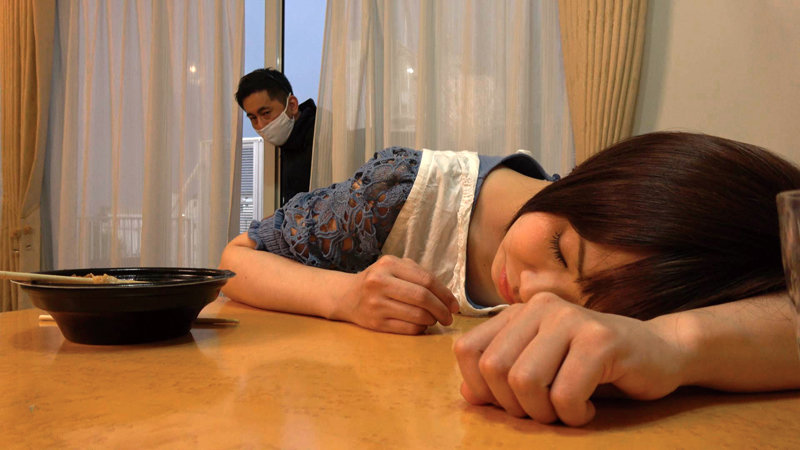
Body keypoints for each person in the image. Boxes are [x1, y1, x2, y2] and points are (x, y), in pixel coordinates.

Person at [218, 131, 800, 425]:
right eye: (560, 251)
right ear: (587, 177)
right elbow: (235, 260)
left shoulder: (659, 267)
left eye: (593, 308)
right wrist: (345, 295)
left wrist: (670, 342)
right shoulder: (404, 193)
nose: (537, 295)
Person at [235, 68, 317, 205]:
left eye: (266, 113)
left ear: (292, 105)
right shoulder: (289, 144)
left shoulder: (321, 137)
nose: (261, 125)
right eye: (253, 118)